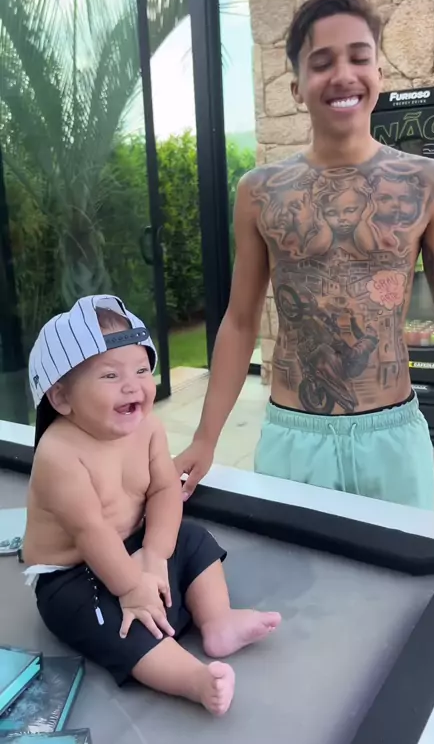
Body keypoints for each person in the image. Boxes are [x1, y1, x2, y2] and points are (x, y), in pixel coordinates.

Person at [174, 0, 434, 538]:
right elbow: (240, 322)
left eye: (359, 57)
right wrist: (205, 437)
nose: (343, 75)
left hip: (392, 435)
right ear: (296, 87)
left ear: (379, 72)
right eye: (322, 62)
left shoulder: (429, 183)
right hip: (294, 437)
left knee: (400, 579)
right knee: (293, 580)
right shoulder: (260, 192)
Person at [22, 295, 280, 716]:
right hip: (73, 574)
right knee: (113, 618)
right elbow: (91, 531)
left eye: (142, 370)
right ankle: (192, 678)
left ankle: (217, 620)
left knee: (192, 539)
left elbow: (164, 490)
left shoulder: (149, 428)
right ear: (62, 398)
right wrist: (132, 589)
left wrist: (155, 555)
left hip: (134, 546)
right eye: (111, 375)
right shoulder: (59, 455)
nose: (133, 386)